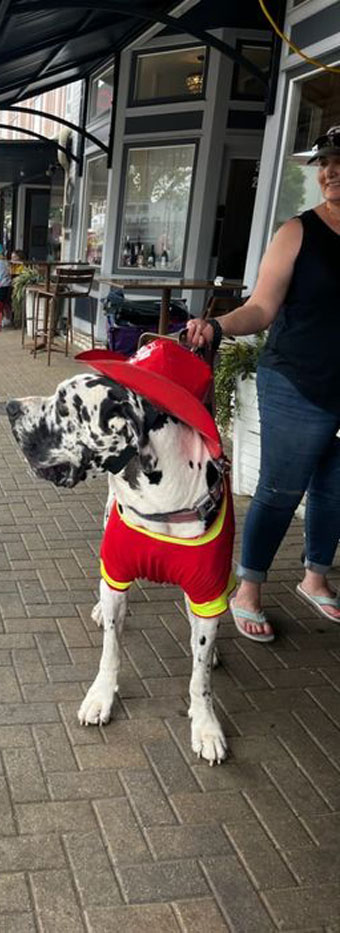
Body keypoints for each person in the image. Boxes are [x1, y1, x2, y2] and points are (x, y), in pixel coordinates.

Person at [187, 127, 340, 640]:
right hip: (296, 380)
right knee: (280, 490)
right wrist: (218, 326)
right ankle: (248, 587)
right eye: (325, 163)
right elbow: (261, 307)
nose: (330, 171)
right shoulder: (298, 231)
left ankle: (315, 578)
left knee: (335, 491)